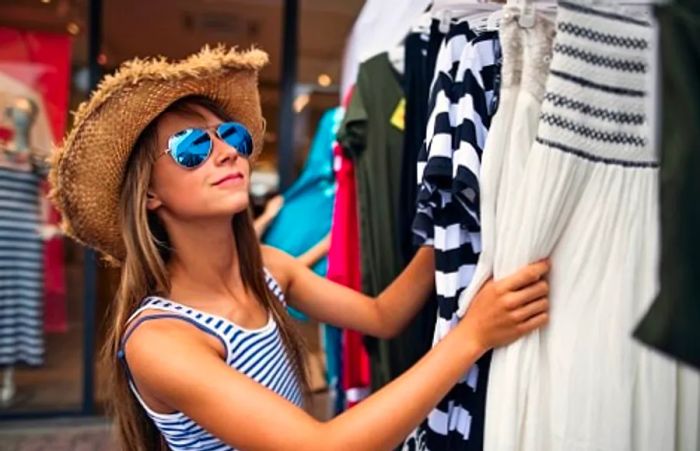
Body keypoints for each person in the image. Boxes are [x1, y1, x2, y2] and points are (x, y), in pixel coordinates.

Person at [49, 46, 550, 451]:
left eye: (229, 135)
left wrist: (448, 225)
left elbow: (382, 315)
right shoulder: (160, 340)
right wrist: (472, 336)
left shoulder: (268, 269)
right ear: (150, 193)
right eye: (191, 148)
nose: (225, 151)